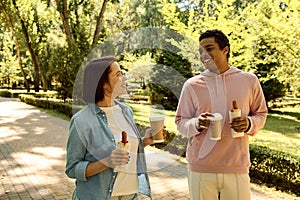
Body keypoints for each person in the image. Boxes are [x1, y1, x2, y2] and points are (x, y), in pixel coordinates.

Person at [175, 29, 268, 200]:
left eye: (209, 49)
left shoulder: (249, 80)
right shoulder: (192, 85)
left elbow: (261, 114)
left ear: (225, 49)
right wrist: (196, 124)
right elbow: (181, 122)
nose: (204, 55)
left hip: (236, 167)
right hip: (201, 168)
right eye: (201, 51)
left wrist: (248, 123)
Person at [65, 56, 154, 200]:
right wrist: (106, 162)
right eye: (118, 74)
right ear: (103, 84)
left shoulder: (126, 111)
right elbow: (72, 169)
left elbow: (124, 148)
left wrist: (145, 141)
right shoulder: (81, 121)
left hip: (130, 196)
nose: (124, 78)